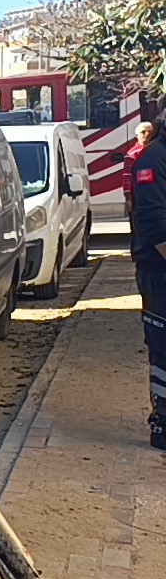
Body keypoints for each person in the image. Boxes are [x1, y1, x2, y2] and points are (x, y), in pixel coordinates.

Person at [130, 117, 166, 451]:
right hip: (159, 273)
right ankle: (163, 424)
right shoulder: (153, 161)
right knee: (163, 351)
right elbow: (155, 226)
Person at [125, 122, 157, 217]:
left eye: (149, 132)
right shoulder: (131, 154)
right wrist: (128, 199)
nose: (146, 135)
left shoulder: (158, 152)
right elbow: (127, 178)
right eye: (143, 132)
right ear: (137, 135)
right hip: (139, 198)